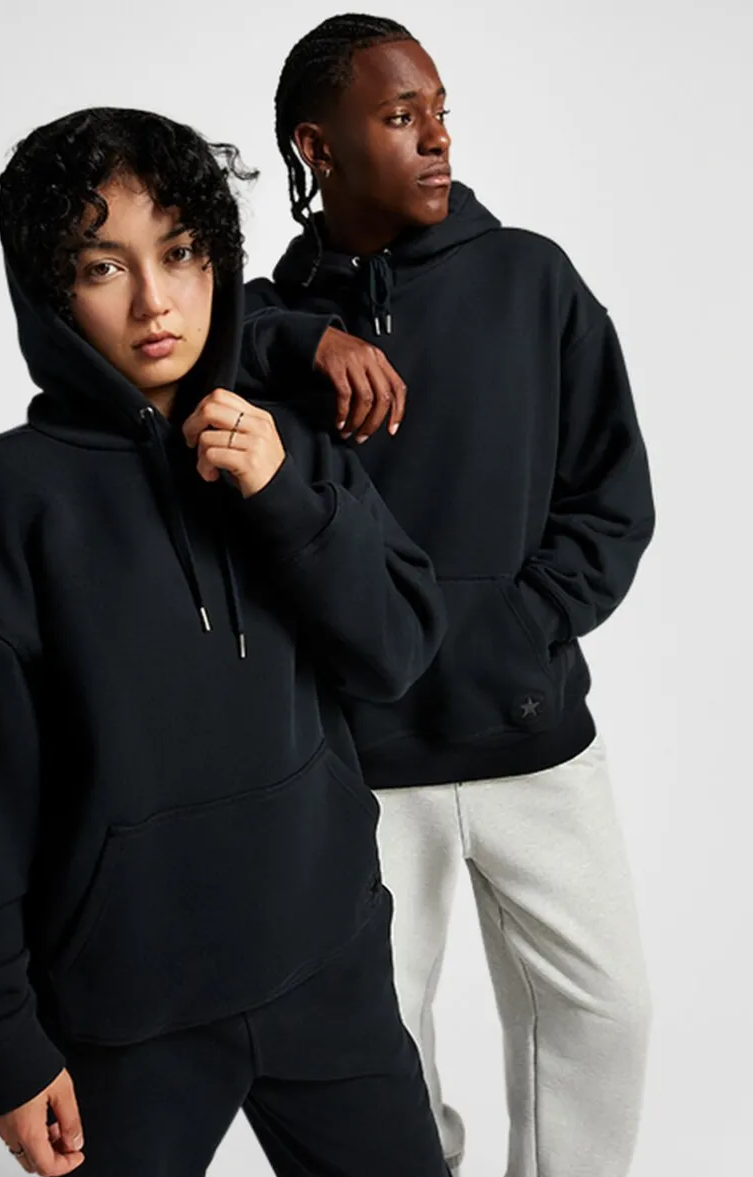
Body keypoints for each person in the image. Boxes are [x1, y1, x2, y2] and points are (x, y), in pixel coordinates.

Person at [0, 106, 452, 1177]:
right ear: (50, 293)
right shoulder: (5, 500)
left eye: (182, 252)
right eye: (104, 267)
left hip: (325, 968)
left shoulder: (282, 437)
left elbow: (397, 649)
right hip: (123, 1013)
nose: (156, 301)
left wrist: (283, 499)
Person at [242, 14, 655, 1177]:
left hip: (531, 732)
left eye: (439, 112)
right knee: (379, 1046)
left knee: (606, 1012)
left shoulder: (531, 279)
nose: (437, 139)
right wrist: (301, 341)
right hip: (360, 759)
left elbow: (612, 497)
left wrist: (519, 627)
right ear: (316, 146)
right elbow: (179, 366)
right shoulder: (268, 324)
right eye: (398, 116)